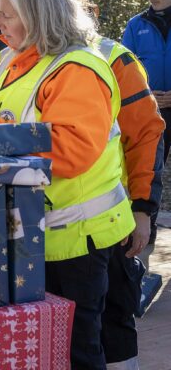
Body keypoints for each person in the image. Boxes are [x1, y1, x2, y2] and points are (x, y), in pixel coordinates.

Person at [0, 0, 136, 368]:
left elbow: (69, 152)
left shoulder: (77, 68)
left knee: (76, 352)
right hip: (31, 236)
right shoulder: (6, 61)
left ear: (39, 14)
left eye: (7, 16)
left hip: (75, 240)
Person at [93, 35, 165, 370]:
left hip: (111, 217)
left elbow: (146, 137)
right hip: (45, 224)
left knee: (115, 316)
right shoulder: (13, 56)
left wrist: (143, 209)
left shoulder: (112, 57)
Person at [122, 0, 171, 270]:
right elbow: (126, 65)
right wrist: (148, 95)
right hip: (148, 109)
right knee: (150, 168)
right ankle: (146, 228)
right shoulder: (136, 25)